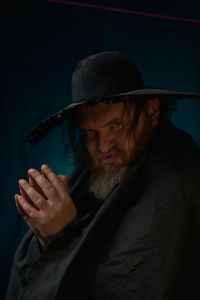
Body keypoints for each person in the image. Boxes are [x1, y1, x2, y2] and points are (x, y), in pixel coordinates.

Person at [6, 52, 200, 300]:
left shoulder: (178, 185)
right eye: (89, 133)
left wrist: (61, 236)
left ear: (151, 112)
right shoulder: (98, 175)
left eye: (116, 125)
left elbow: (133, 283)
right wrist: (45, 235)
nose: (103, 146)